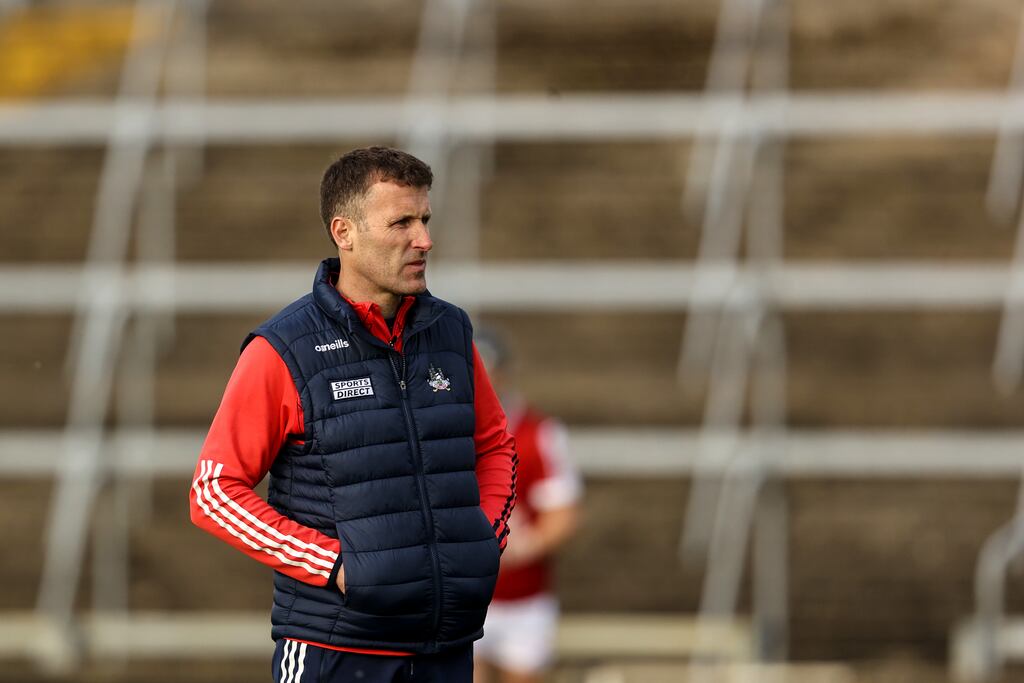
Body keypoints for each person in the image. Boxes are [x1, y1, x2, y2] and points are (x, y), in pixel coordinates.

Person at [189, 146, 517, 683]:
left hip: (446, 647)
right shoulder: (284, 348)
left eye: (426, 220)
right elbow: (214, 492)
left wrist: (482, 537)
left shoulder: (452, 331)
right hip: (333, 649)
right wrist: (336, 567)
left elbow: (495, 445)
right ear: (344, 232)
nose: (424, 240)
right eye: (402, 223)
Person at [472, 331, 582, 683]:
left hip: (524, 599)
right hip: (463, 595)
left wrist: (521, 549)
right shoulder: (442, 431)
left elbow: (562, 514)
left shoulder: (539, 434)